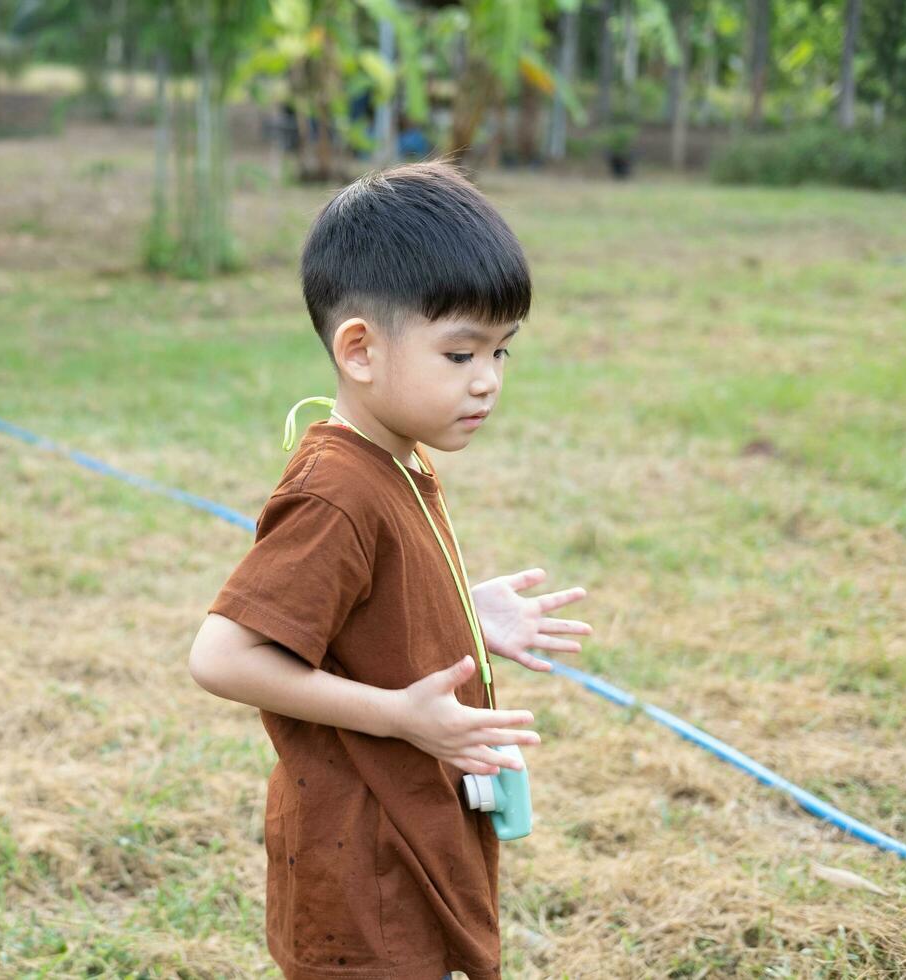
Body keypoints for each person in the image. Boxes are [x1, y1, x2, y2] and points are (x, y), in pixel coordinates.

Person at [187, 160, 593, 980]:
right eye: (460, 353)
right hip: (360, 859)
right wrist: (398, 715)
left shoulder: (395, 458)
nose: (487, 381)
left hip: (408, 833)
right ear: (361, 350)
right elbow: (221, 657)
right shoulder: (337, 490)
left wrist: (460, 613)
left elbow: (366, 619)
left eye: (502, 352)